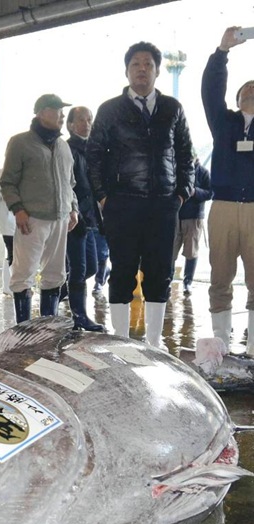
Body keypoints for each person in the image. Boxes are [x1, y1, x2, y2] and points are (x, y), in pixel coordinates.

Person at [87, 41, 195, 349]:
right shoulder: (109, 109)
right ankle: (121, 341)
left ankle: (154, 342)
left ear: (158, 70)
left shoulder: (172, 108)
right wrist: (103, 196)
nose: (142, 69)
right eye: (136, 64)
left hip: (163, 205)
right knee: (122, 270)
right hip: (122, 203)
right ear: (127, 71)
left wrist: (181, 194)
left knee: (159, 272)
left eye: (148, 64)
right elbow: (93, 155)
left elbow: (186, 154)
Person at [0, 94, 79, 324]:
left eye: (62, 111)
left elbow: (70, 182)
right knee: (23, 274)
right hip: (32, 219)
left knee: (55, 274)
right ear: (41, 112)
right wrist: (18, 209)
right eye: (56, 110)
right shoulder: (20, 142)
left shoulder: (64, 146)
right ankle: (23, 328)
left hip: (61, 218)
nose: (62, 116)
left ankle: (48, 327)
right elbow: (7, 182)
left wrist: (73, 208)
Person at [201, 27, 254, 354]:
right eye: (246, 88)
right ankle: (220, 347)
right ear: (237, 99)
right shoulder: (223, 122)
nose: (251, 88)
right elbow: (211, 90)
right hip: (221, 206)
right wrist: (222, 52)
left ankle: (252, 351)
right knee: (220, 278)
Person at [65, 106, 104, 330]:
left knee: (91, 266)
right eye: (81, 119)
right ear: (70, 125)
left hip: (90, 216)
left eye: (89, 119)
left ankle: (61, 289)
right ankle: (80, 317)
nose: (87, 123)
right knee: (80, 268)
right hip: (74, 216)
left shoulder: (93, 149)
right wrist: (73, 210)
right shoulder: (68, 149)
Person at [172, 155, 212, 295]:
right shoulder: (176, 170)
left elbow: (210, 193)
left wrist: (195, 191)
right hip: (175, 216)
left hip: (194, 217)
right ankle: (168, 279)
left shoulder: (203, 172)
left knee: (191, 251)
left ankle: (187, 282)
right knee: (170, 250)